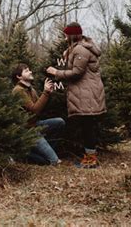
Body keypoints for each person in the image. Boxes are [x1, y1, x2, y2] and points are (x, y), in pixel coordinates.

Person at [46, 22, 106, 168]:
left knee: (87, 126)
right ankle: (89, 157)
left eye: (66, 34)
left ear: (71, 35)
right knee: (87, 125)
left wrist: (56, 72)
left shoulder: (80, 49)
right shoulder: (79, 48)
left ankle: (91, 161)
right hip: (86, 92)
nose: (64, 36)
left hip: (86, 93)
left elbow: (77, 73)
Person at [11, 63, 66, 166]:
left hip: (35, 124)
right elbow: (34, 110)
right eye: (26, 71)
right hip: (27, 129)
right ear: (19, 76)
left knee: (59, 122)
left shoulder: (31, 89)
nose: (30, 71)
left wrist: (48, 93)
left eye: (29, 70)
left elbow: (41, 107)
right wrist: (45, 93)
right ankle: (24, 155)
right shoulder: (18, 91)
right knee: (54, 161)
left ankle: (47, 153)